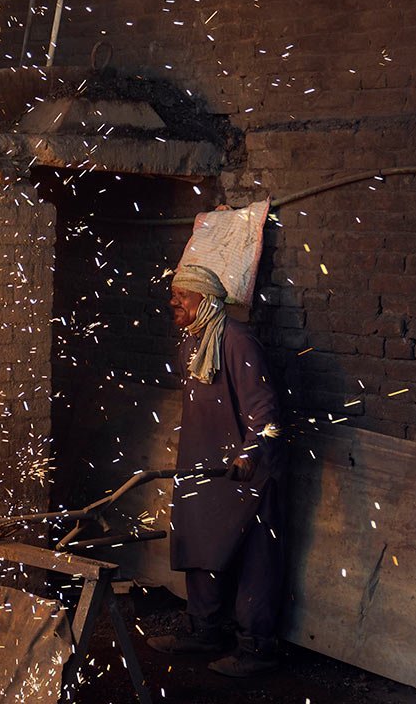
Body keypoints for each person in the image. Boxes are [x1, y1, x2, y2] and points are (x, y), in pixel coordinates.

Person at [147, 263, 287, 677]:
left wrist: (251, 454)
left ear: (205, 301)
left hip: (248, 474)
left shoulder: (239, 343)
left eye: (182, 296)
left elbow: (267, 413)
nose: (173, 302)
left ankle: (257, 649)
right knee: (199, 544)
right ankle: (205, 631)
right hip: (204, 468)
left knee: (254, 557)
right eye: (173, 294)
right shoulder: (192, 343)